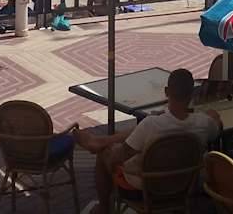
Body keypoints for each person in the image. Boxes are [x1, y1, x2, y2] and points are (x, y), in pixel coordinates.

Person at [78, 68, 220, 210]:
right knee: (140, 134)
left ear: (167, 91)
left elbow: (119, 157)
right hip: (184, 188)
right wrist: (210, 114)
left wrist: (109, 150)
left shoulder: (151, 124)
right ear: (192, 94)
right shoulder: (203, 124)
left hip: (144, 191)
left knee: (103, 154)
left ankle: (103, 208)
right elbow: (217, 125)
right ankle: (104, 140)